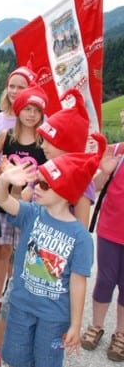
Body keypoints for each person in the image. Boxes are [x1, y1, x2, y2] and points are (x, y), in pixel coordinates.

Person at [0, 88, 94, 367]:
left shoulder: (79, 183)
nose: (44, 145)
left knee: (43, 348)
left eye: (50, 140)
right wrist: (12, 183)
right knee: (14, 314)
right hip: (30, 263)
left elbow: (80, 234)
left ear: (67, 144)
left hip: (54, 284)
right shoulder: (46, 171)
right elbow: (15, 202)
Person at [0, 133, 106, 367]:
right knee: (15, 360)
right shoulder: (31, 213)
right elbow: (1, 199)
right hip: (21, 307)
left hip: (54, 317)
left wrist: (75, 324)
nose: (36, 188)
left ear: (65, 192)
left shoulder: (81, 237)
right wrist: (5, 179)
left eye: (44, 184)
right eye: (37, 182)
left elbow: (78, 282)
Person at [0, 83, 47, 323]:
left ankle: (23, 300)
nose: (31, 114)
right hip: (2, 203)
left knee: (28, 255)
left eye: (36, 110)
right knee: (2, 251)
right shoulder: (7, 136)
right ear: (17, 110)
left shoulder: (44, 142)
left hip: (29, 208)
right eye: (27, 108)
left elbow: (49, 174)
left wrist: (34, 188)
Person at [80, 131, 124, 361]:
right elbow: (93, 188)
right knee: (105, 280)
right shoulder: (115, 152)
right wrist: (105, 172)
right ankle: (96, 326)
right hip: (110, 229)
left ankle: (121, 334)